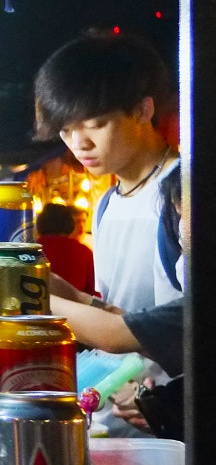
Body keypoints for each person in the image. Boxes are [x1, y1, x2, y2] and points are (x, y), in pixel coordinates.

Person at [35, 30, 181, 433]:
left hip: (173, 422)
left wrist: (28, 293)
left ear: (143, 110)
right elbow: (120, 313)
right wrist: (70, 294)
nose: (79, 143)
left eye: (95, 125)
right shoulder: (107, 203)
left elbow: (152, 329)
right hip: (117, 419)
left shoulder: (180, 193)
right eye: (66, 131)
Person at [34, 201, 96, 295]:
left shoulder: (32, 249)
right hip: (74, 307)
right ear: (69, 224)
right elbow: (92, 291)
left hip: (39, 305)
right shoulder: (83, 251)